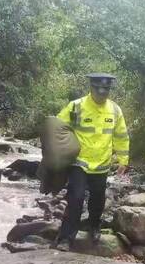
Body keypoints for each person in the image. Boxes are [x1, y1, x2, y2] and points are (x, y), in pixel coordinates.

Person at [52, 73, 129, 251]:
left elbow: (121, 136)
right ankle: (66, 238)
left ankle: (94, 226)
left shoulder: (115, 110)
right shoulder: (76, 106)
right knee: (76, 198)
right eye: (98, 89)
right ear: (91, 87)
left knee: (97, 199)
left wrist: (123, 160)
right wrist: (57, 154)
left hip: (102, 164)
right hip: (79, 162)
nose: (102, 93)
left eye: (106, 90)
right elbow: (58, 127)